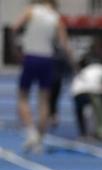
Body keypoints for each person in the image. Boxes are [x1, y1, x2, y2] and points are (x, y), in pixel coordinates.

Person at [13, 0, 73, 153]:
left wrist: (17, 49)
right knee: (44, 101)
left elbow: (14, 28)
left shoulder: (31, 11)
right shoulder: (56, 17)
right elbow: (64, 44)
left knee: (22, 97)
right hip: (47, 59)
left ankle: (32, 132)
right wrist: (73, 64)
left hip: (30, 57)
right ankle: (39, 140)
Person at [70, 56, 102, 140]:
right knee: (101, 111)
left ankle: (83, 133)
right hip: (91, 92)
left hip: (76, 92)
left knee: (79, 111)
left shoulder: (86, 69)